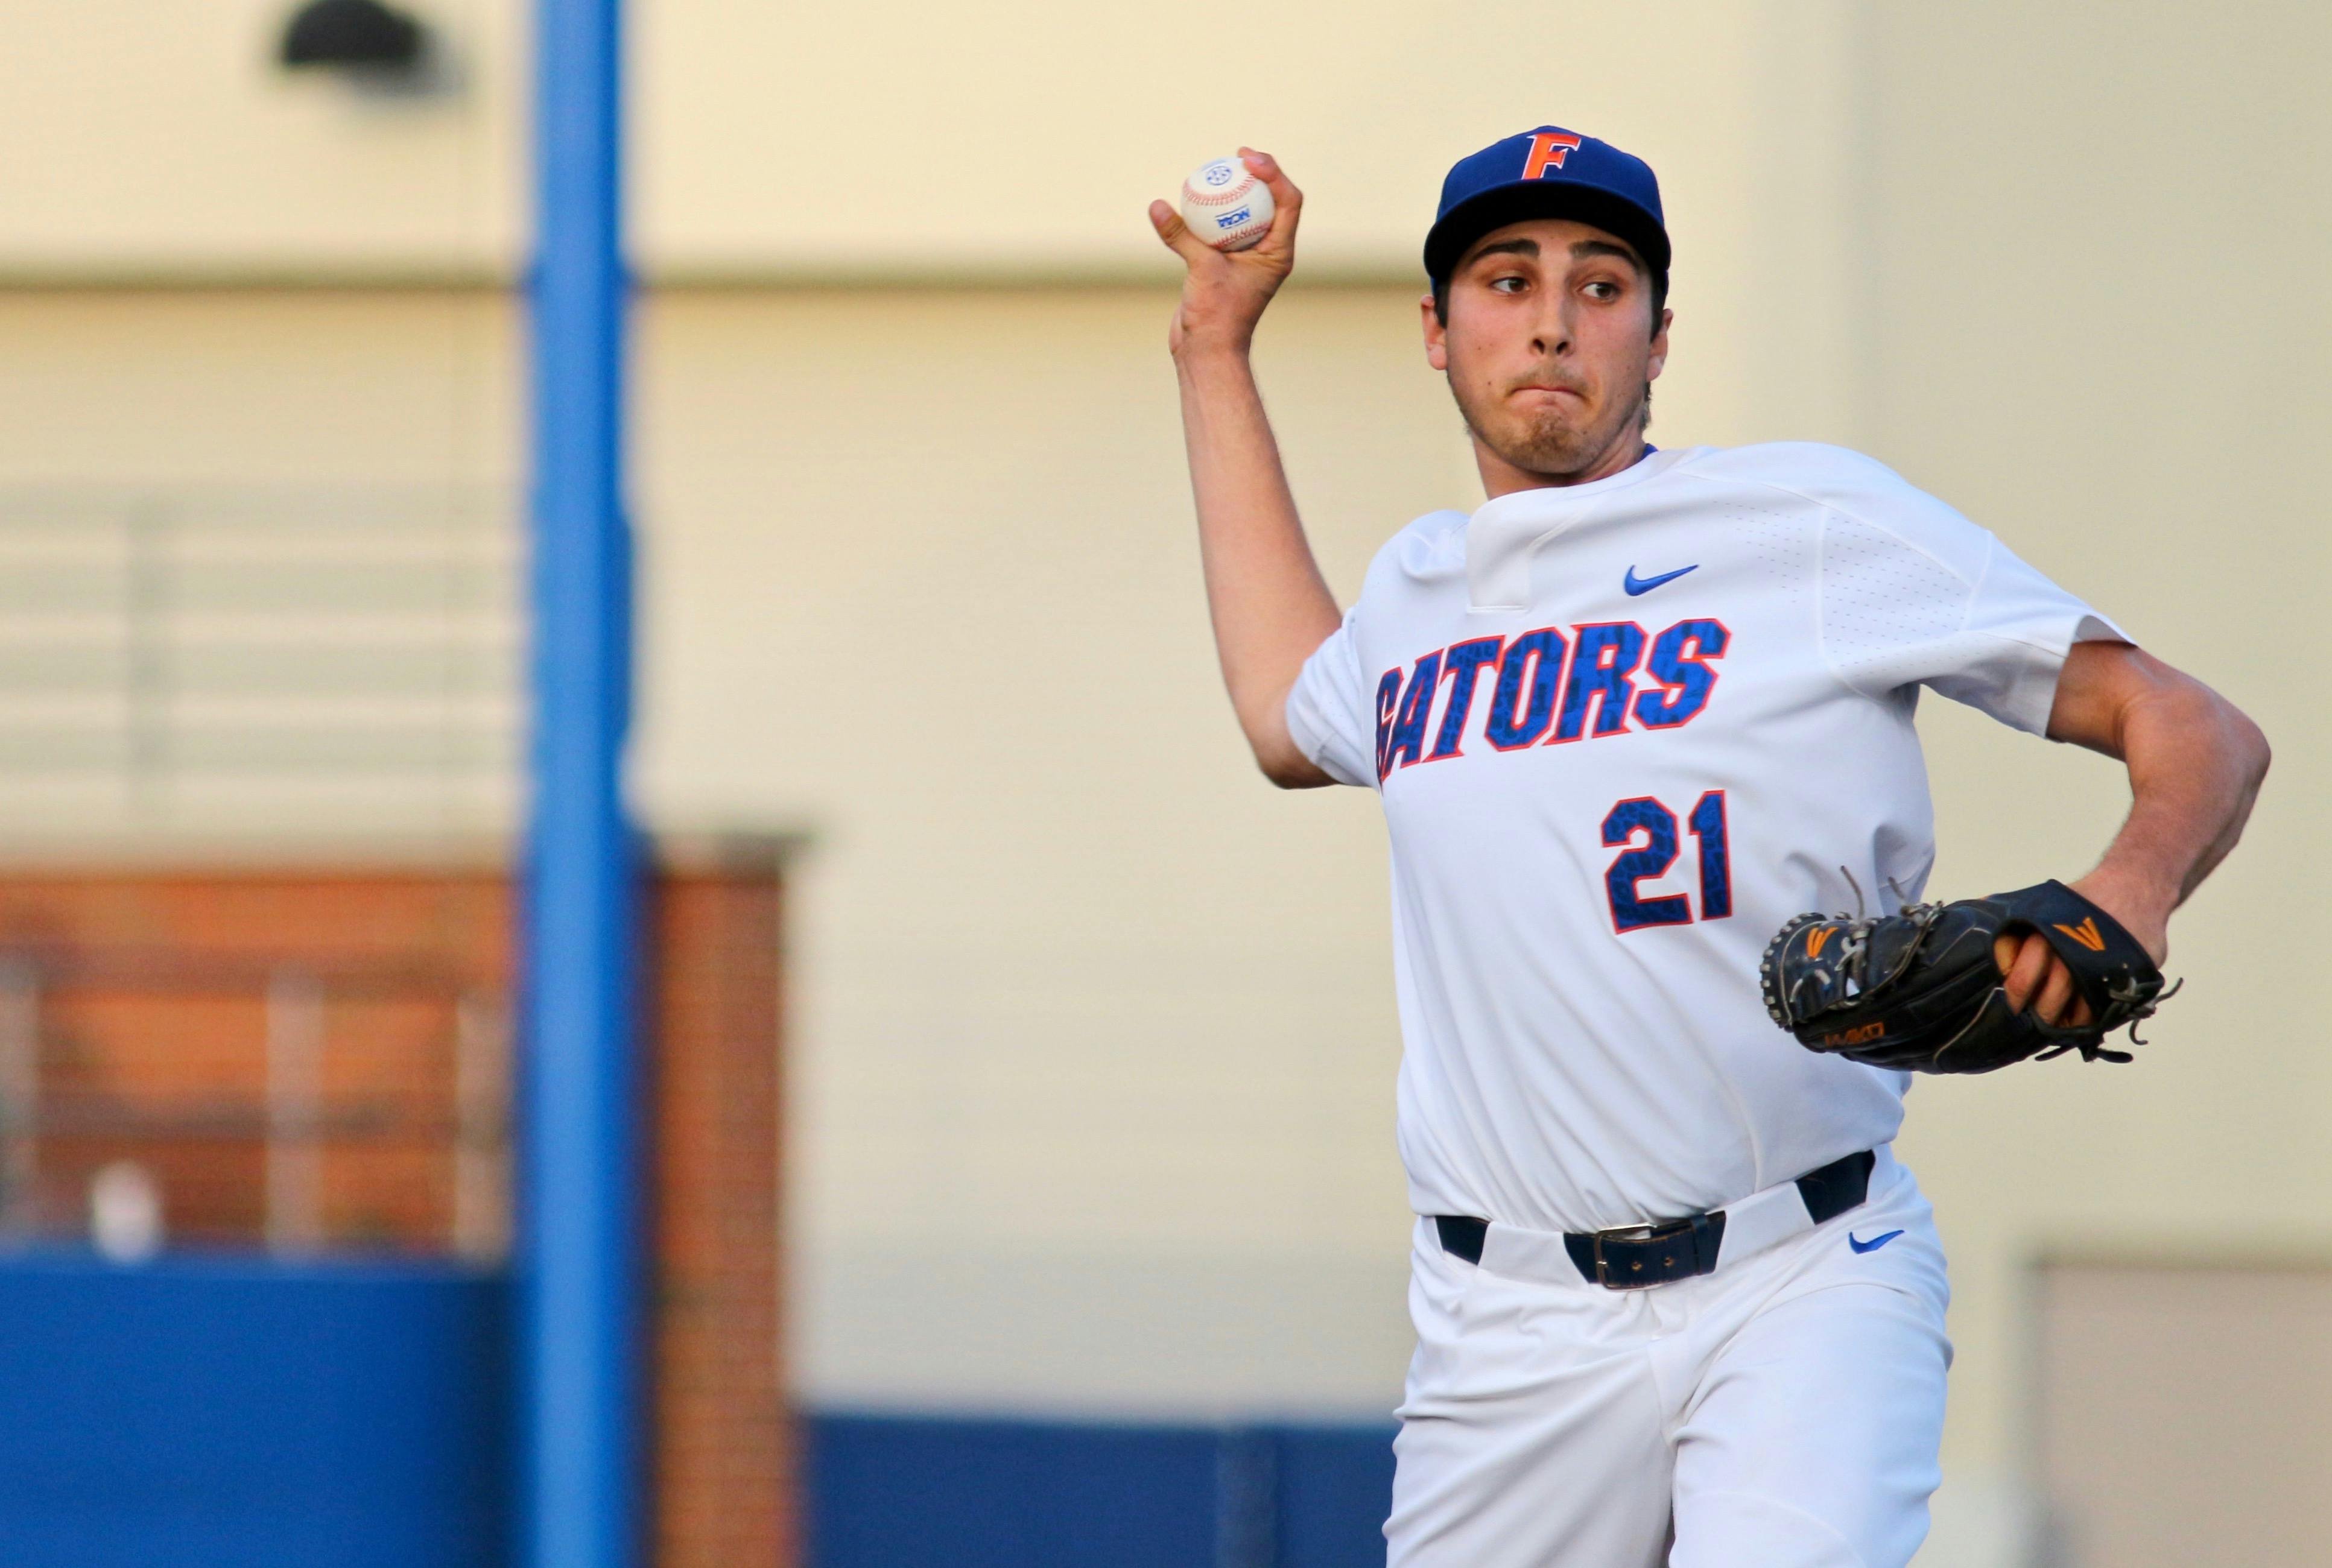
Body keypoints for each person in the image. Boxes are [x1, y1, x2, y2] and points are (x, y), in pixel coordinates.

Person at [1147, 127, 2269, 1567]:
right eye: (1505, 277)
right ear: (1435, 331)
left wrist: (2130, 887)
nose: (1552, 315)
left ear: (1660, 337)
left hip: (1800, 1273)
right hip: (1506, 1326)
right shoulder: (1416, 596)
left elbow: (2196, 728)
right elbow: (1281, 717)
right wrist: (1211, 348)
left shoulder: (1803, 522)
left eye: (1602, 284)